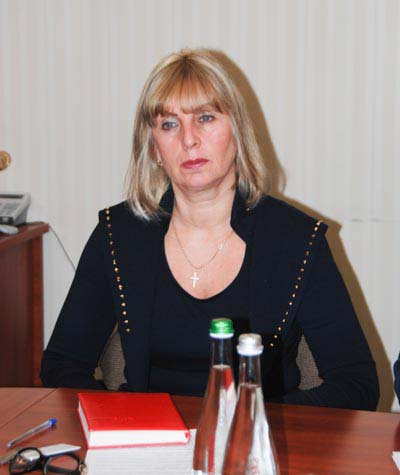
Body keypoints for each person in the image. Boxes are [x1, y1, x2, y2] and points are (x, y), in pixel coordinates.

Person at [41, 48, 379, 410]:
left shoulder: (296, 239)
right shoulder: (118, 235)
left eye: (205, 118)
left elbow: (356, 384)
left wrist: (257, 424)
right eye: (169, 124)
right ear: (154, 147)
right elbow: (61, 365)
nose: (188, 139)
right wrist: (124, 421)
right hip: (149, 438)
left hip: (256, 438)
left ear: (238, 130)